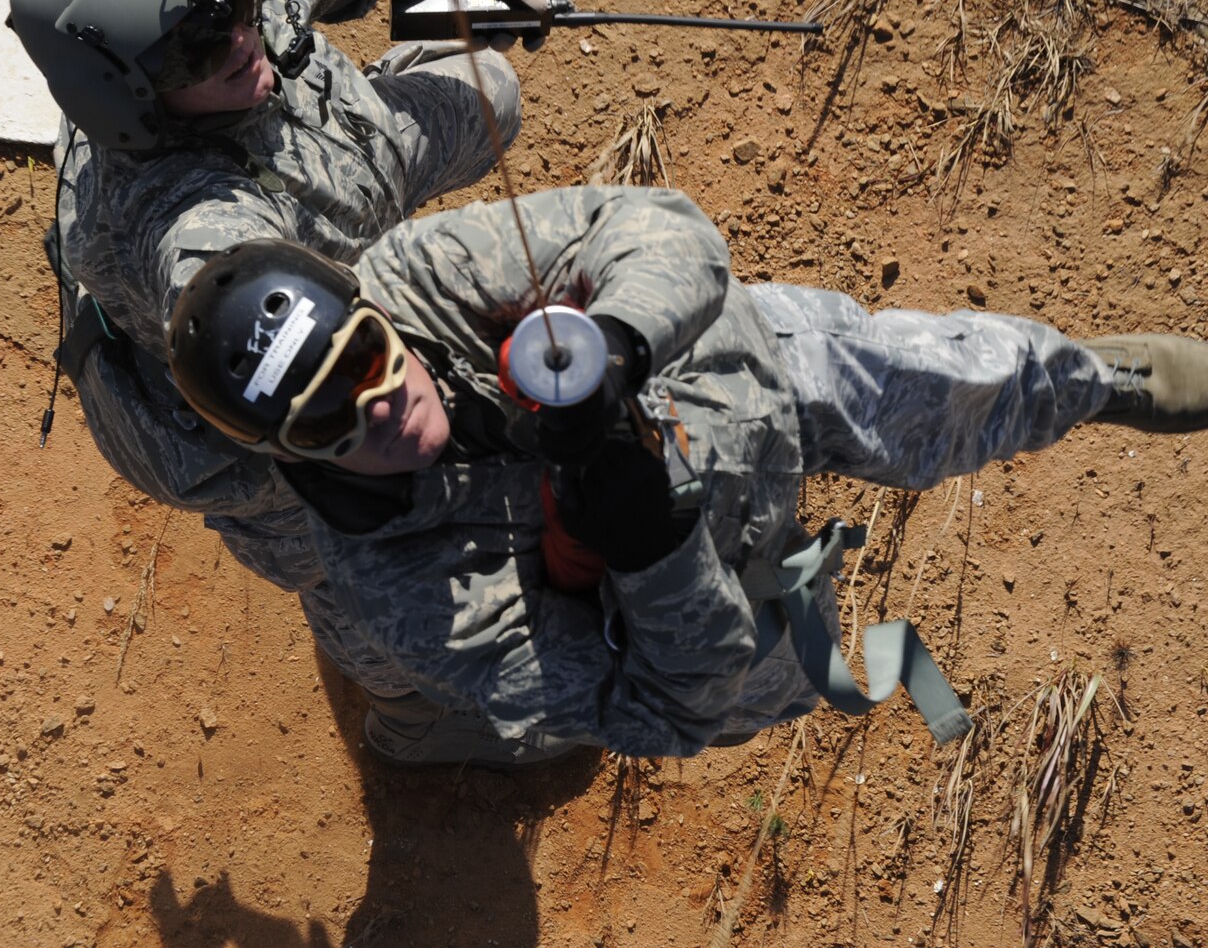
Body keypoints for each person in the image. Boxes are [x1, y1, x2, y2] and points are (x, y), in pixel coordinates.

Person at [163, 186, 1208, 759]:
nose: (376, 400)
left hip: (745, 373)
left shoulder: (415, 272)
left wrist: (617, 339)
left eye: (361, 356)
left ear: (365, 307)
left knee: (953, 373)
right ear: (283, 455)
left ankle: (1087, 380)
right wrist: (653, 552)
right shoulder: (401, 594)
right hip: (711, 583)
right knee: (787, 680)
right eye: (324, 419)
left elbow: (660, 229)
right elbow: (666, 712)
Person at [8, 0, 574, 764]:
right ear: (127, 93)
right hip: (254, 426)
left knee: (484, 86)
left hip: (335, 178)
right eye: (197, 47)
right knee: (349, 545)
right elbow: (283, 355)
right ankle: (411, 715)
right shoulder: (184, 229)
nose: (241, 36)